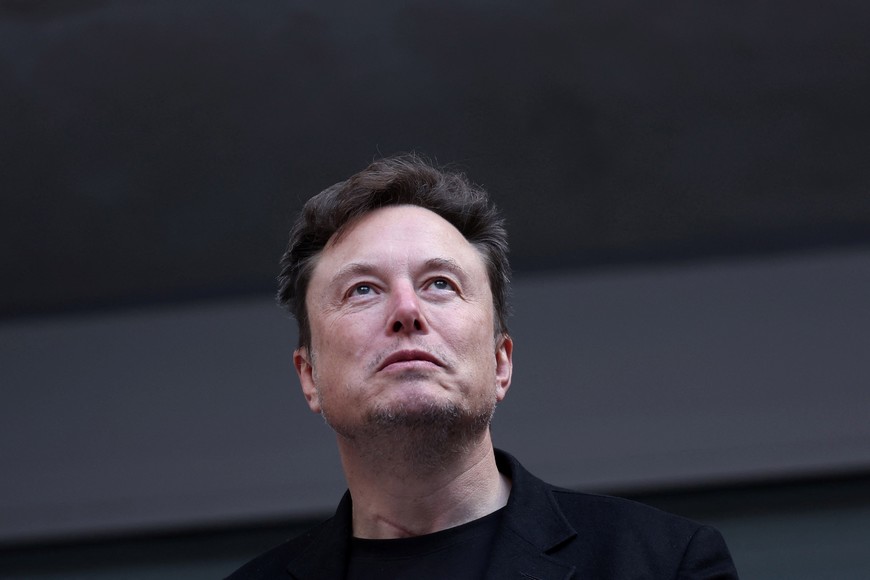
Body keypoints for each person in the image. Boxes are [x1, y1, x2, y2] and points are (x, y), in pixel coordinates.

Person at [226, 154, 739, 579]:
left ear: (500, 362)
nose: (407, 311)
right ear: (309, 376)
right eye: (363, 289)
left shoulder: (665, 564)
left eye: (440, 284)